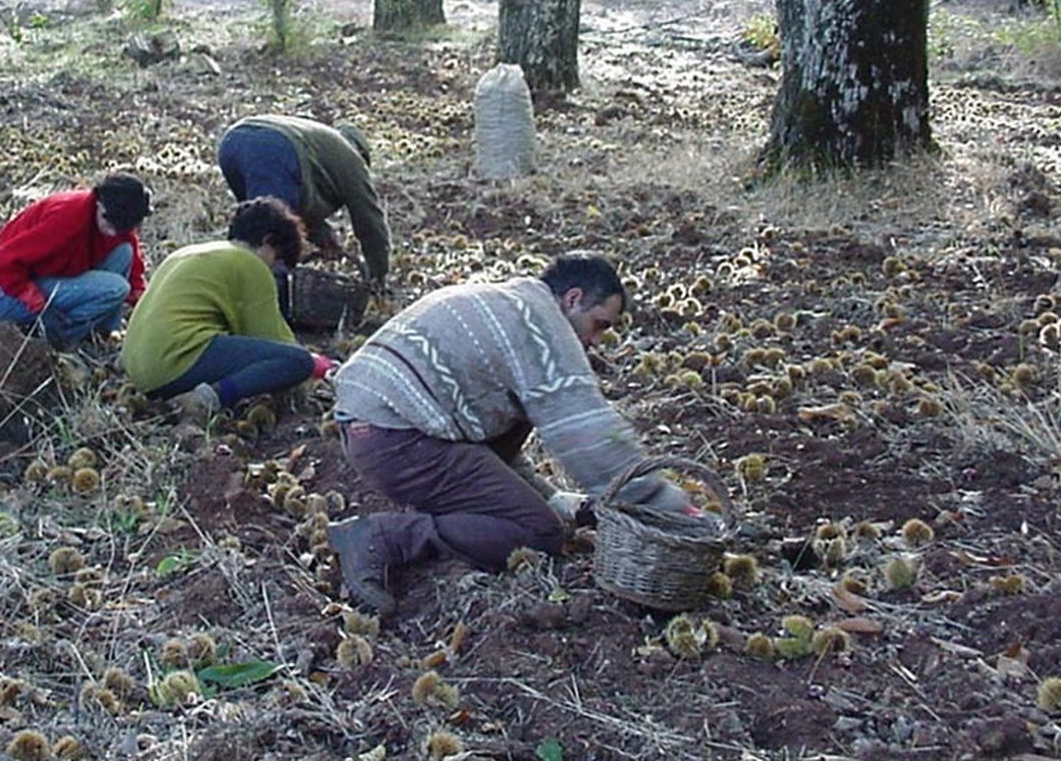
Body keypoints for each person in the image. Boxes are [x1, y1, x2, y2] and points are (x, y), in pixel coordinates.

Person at [327, 252, 698, 616]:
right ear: (573, 299)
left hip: (375, 423)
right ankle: (387, 536)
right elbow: (589, 434)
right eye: (600, 324)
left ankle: (447, 513)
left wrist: (557, 500)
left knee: (522, 425)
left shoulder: (511, 305)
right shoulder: (543, 329)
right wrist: (665, 505)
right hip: (394, 437)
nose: (597, 340)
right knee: (538, 532)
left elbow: (493, 448)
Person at [119, 197, 336, 423]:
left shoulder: (187, 253)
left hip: (139, 367)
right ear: (267, 241)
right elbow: (271, 338)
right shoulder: (249, 263)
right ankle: (205, 400)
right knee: (298, 361)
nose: (272, 268)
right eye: (276, 259)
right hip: (174, 362)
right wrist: (317, 364)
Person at [216, 114, 390, 287]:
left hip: (231, 143)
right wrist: (378, 276)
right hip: (273, 149)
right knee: (274, 245)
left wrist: (322, 237)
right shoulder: (352, 160)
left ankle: (224, 283)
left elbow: (298, 203)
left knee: (250, 233)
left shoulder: (319, 143)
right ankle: (273, 307)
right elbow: (370, 222)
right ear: (362, 153)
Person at [0, 173, 152, 346]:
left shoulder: (116, 219)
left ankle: (100, 334)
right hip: (6, 289)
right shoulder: (66, 220)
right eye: (111, 224)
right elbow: (4, 263)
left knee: (123, 251)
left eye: (124, 226)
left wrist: (146, 307)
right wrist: (42, 307)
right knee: (116, 288)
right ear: (99, 205)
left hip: (46, 274)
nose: (116, 232)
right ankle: (57, 339)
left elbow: (134, 272)